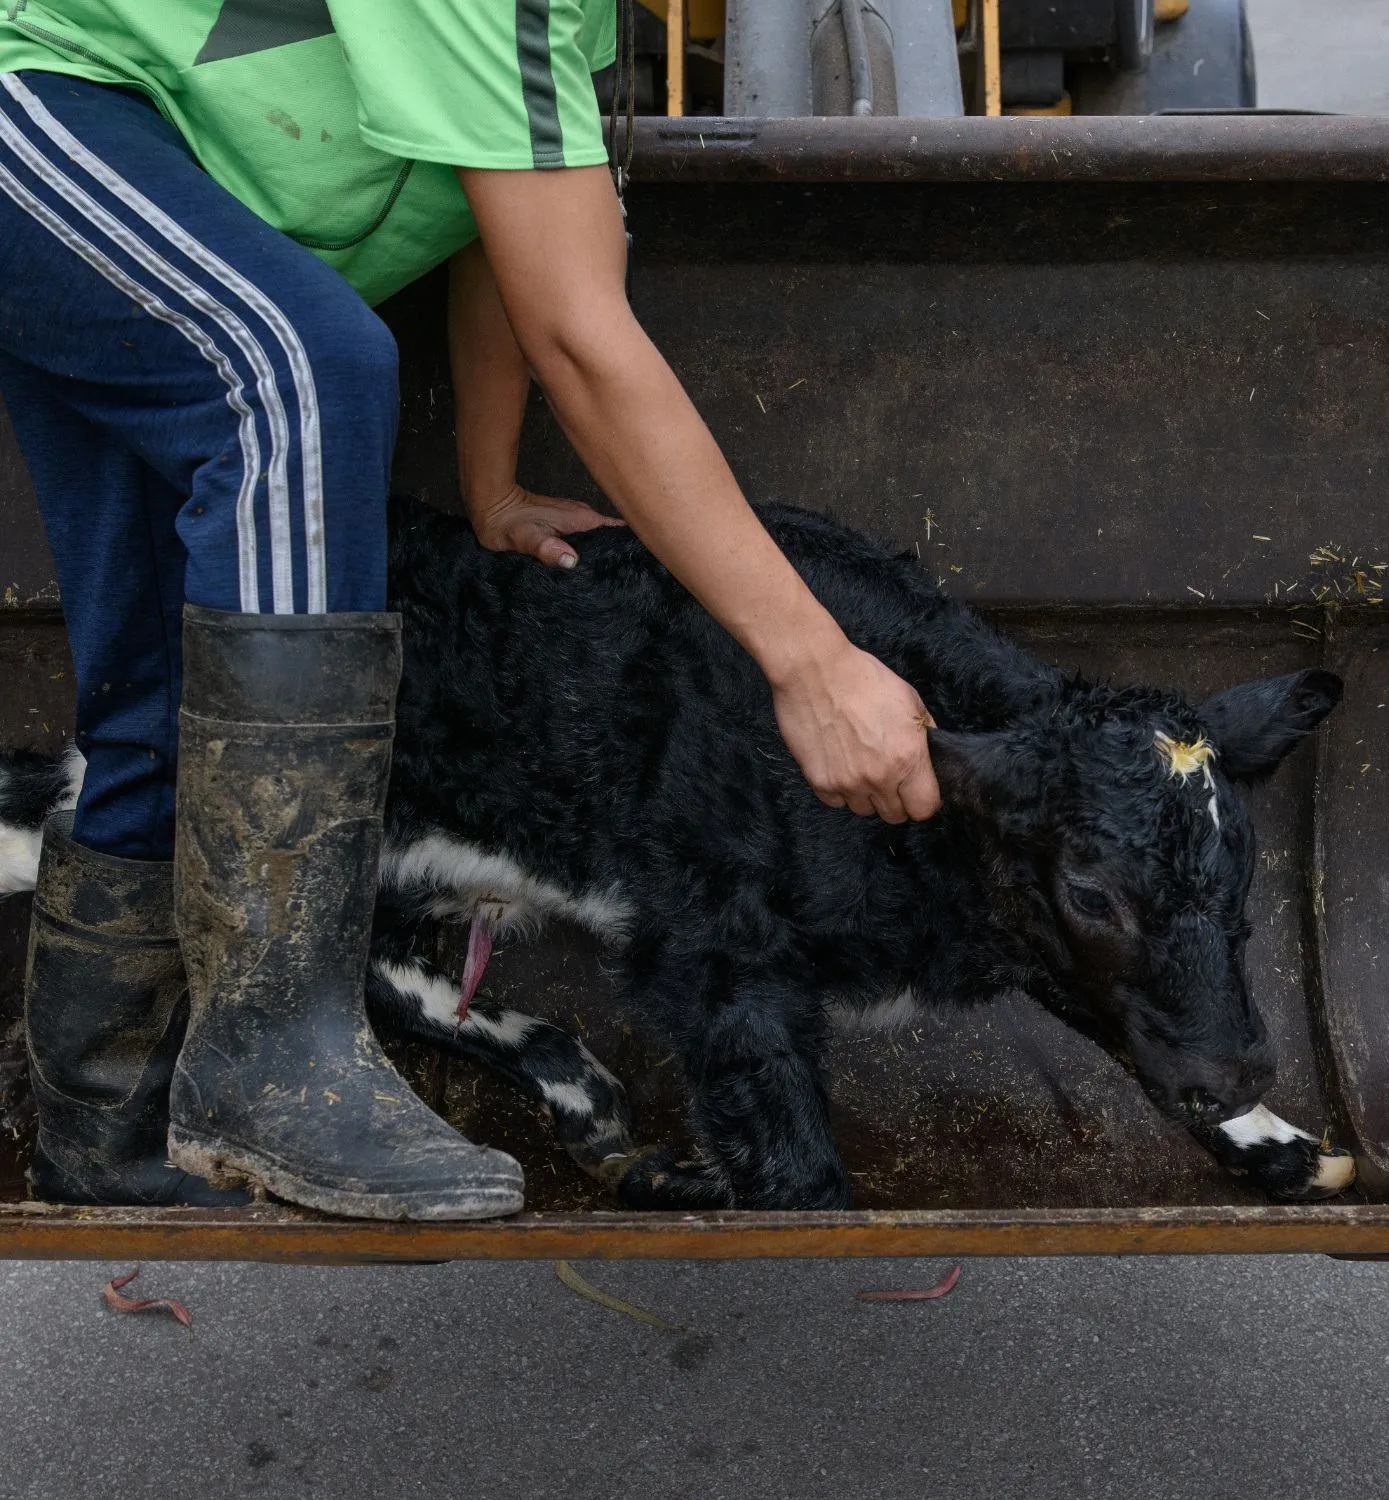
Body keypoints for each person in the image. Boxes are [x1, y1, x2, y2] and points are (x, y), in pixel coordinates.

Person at [0, 1, 942, 1221]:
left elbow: (510, 213)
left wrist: (491, 483)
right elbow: (577, 331)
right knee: (297, 374)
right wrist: (810, 662)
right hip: (43, 104)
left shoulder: (573, 15)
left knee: (164, 686)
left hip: (143, 163)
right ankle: (273, 1050)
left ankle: (103, 1119)